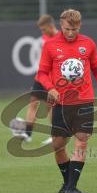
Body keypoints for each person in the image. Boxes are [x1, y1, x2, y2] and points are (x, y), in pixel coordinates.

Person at [35, 9, 97, 193]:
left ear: (79, 26)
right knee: (58, 145)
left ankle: (72, 187)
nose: (70, 33)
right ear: (61, 25)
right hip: (61, 102)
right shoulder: (50, 45)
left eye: (74, 29)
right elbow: (41, 73)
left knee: (81, 141)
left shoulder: (88, 43)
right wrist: (51, 88)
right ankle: (67, 185)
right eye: (66, 29)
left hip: (84, 100)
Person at [22, 14, 59, 143]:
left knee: (50, 107)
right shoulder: (45, 38)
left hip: (52, 79)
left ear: (51, 26)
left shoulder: (60, 39)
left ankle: (54, 135)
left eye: (44, 29)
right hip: (40, 77)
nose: (43, 32)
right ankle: (27, 134)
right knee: (33, 104)